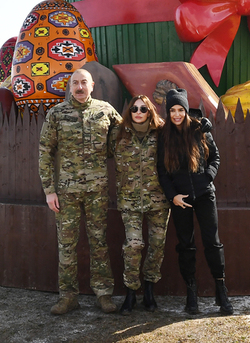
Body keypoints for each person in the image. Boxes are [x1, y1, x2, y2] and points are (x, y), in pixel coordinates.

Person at [39, 68, 123, 315]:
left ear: (92, 85)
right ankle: (68, 296)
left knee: (99, 242)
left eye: (83, 82)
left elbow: (123, 138)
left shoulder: (105, 110)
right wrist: (49, 190)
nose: (79, 87)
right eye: (75, 82)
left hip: (97, 190)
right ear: (70, 86)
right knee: (66, 245)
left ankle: (104, 294)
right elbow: (45, 152)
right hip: (66, 193)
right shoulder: (56, 114)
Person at [156, 88, 234, 316]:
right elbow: (162, 171)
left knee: (213, 242)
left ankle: (221, 290)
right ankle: (192, 293)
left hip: (205, 196)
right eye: (173, 110)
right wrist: (173, 197)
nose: (177, 114)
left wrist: (207, 178)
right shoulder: (164, 137)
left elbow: (215, 157)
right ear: (168, 112)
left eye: (180, 109)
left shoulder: (200, 130)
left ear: (186, 110)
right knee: (186, 245)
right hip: (181, 200)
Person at [113, 94, 170, 314]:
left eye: (143, 109)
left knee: (157, 245)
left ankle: (149, 290)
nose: (138, 112)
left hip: (158, 200)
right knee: (134, 245)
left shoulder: (161, 134)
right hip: (130, 201)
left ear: (150, 112)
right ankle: (130, 291)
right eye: (134, 108)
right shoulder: (119, 134)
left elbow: (182, 135)